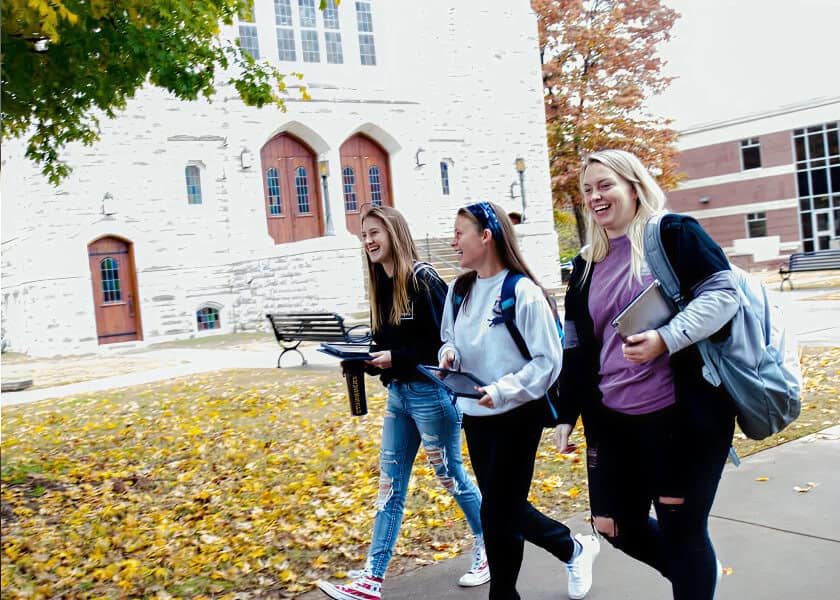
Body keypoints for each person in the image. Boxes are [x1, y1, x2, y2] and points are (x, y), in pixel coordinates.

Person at [554, 149, 739, 600]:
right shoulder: (584, 264)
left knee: (682, 530)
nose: (595, 196)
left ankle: (693, 573)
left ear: (634, 187)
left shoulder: (673, 235)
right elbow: (576, 347)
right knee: (614, 527)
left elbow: (724, 293)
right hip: (612, 421)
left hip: (681, 417)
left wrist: (666, 339)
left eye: (606, 185)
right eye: (588, 189)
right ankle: (696, 571)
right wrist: (564, 414)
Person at [317, 206, 488, 600]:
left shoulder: (423, 279)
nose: (369, 241)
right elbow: (383, 348)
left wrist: (397, 357)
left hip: (432, 397)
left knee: (452, 477)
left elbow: (446, 342)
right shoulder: (381, 283)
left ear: (394, 232)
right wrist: (364, 362)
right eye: (364, 235)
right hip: (399, 398)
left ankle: (489, 547)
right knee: (389, 486)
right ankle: (372, 579)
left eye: (375, 232)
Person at [438, 201, 599, 600]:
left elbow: (549, 362)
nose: (453, 240)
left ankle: (505, 594)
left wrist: (502, 390)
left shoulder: (522, 293)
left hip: (516, 415)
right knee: (503, 506)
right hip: (475, 413)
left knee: (497, 513)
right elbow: (448, 337)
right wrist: (449, 354)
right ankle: (571, 547)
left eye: (460, 232)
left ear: (486, 236)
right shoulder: (459, 291)